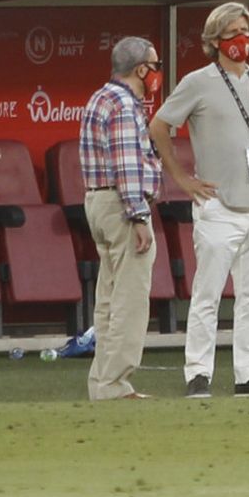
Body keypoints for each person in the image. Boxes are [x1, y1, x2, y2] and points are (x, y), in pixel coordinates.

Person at [150, 2, 249, 400]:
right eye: (230, 33)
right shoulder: (198, 82)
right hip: (218, 207)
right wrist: (182, 178)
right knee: (207, 295)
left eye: (244, 31)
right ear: (214, 41)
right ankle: (198, 374)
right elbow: (159, 126)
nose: (239, 40)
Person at [78, 36, 164, 402]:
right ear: (141, 69)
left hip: (98, 202)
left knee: (109, 299)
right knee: (129, 298)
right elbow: (127, 165)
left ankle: (102, 382)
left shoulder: (100, 96)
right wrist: (140, 215)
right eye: (154, 65)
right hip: (122, 205)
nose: (158, 73)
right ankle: (115, 384)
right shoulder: (125, 104)